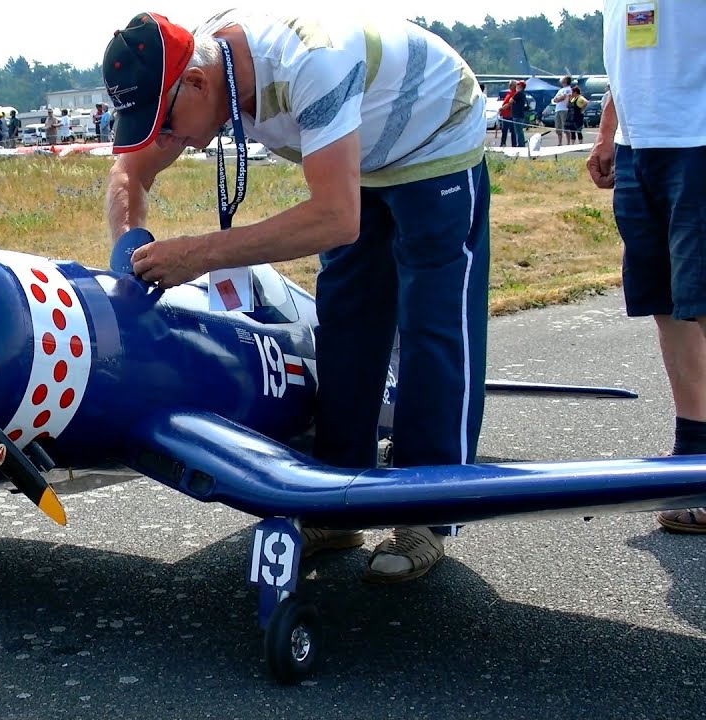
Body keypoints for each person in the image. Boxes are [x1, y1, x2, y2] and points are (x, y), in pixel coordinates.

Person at [103, 11, 490, 582]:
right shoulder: (194, 73)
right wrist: (130, 248)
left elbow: (336, 217)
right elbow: (128, 173)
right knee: (346, 322)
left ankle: (427, 512)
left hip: (433, 136)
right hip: (361, 154)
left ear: (199, 84)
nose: (168, 139)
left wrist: (201, 254)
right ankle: (338, 498)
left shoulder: (312, 61)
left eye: (165, 122)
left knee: (432, 322)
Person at [587, 0, 706, 533]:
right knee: (668, 306)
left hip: (698, 145)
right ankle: (693, 451)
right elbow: (630, 67)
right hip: (641, 150)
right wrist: (607, 132)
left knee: (702, 304)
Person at [551, 75, 573, 146]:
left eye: (564, 79)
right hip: (558, 109)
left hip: (564, 110)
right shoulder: (560, 90)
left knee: (565, 126)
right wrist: (558, 98)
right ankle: (560, 143)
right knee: (558, 126)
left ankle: (568, 143)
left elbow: (563, 97)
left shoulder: (568, 89)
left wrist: (559, 98)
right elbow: (554, 99)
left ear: (566, 80)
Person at [510, 79, 528, 147]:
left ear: (520, 86)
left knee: (518, 131)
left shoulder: (519, 93)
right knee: (519, 130)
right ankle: (521, 143)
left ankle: (521, 144)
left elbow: (510, 101)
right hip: (520, 114)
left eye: (518, 85)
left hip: (517, 114)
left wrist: (513, 100)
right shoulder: (523, 93)